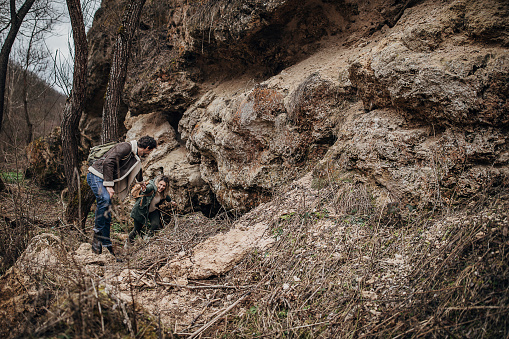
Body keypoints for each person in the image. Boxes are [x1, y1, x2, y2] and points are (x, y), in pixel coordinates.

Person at [87, 135, 157, 256]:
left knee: (107, 210)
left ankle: (106, 243)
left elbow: (137, 168)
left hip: (102, 179)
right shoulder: (126, 147)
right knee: (104, 199)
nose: (149, 153)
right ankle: (97, 237)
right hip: (96, 175)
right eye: (150, 150)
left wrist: (141, 183)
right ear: (147, 147)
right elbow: (109, 161)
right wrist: (109, 185)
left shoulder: (134, 155)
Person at [128, 175, 175, 244]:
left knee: (155, 225)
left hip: (153, 210)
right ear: (157, 183)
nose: (161, 187)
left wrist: (171, 201)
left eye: (164, 186)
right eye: (160, 184)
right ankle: (129, 242)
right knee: (137, 230)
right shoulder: (152, 187)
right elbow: (147, 189)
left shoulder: (163, 192)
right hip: (141, 210)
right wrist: (144, 189)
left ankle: (147, 240)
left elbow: (166, 196)